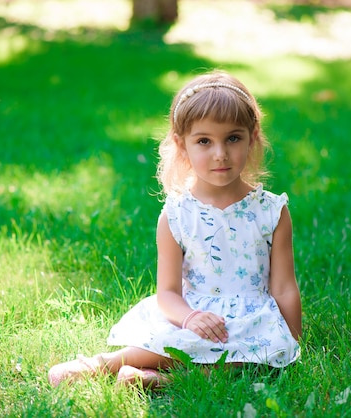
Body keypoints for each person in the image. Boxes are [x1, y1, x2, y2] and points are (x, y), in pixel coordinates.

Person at [48, 70, 302, 389]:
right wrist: (189, 318)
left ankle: (160, 382)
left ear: (252, 137)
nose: (220, 153)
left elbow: (283, 288)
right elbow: (167, 292)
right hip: (190, 312)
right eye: (204, 141)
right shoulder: (177, 214)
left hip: (250, 320)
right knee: (165, 345)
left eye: (233, 138)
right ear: (182, 146)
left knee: (252, 361)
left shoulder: (270, 210)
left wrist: (290, 341)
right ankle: (104, 363)